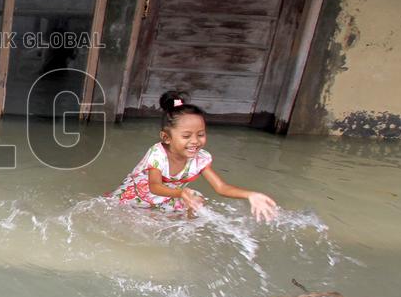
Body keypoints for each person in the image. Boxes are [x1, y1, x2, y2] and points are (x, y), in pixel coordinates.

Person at [110, 91, 277, 221]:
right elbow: (154, 186)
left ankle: (186, 229)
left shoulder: (200, 158)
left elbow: (221, 187)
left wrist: (250, 195)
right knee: (128, 218)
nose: (195, 141)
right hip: (138, 194)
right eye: (186, 136)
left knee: (197, 201)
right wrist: (181, 193)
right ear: (166, 138)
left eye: (201, 134)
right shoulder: (157, 153)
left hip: (172, 195)